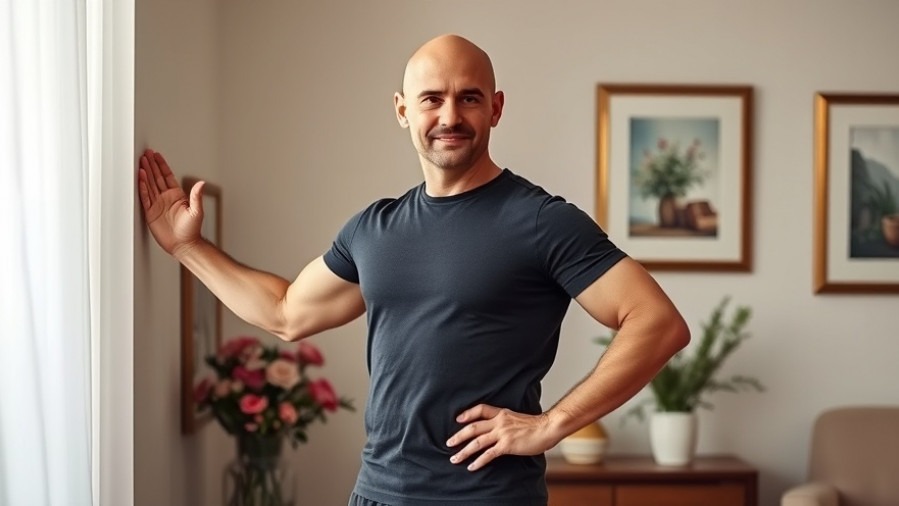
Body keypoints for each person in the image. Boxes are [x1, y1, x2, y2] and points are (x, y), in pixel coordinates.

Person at [138, 34, 690, 506]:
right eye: (432, 99)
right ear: (403, 110)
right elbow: (286, 313)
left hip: (488, 498)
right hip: (378, 493)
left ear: (496, 108)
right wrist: (187, 248)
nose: (449, 117)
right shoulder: (373, 229)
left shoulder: (542, 221)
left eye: (468, 98)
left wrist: (552, 424)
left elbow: (657, 322)